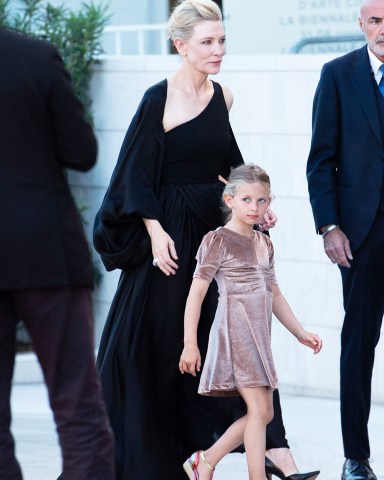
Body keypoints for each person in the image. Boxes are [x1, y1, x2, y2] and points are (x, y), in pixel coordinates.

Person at [93, 1, 319, 479]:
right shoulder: (159, 98)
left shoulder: (224, 97)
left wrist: (254, 203)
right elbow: (134, 175)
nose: (218, 50)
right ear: (181, 46)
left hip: (214, 232)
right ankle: (163, 455)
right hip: (171, 236)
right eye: (207, 42)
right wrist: (154, 233)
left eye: (222, 41)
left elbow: (227, 169)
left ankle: (276, 450)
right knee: (161, 343)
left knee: (239, 335)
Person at [0, 28, 115, 479]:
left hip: (43, 252)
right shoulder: (35, 55)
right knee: (77, 405)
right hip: (45, 248)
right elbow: (81, 152)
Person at [179, 164, 322, 480]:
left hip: (259, 338)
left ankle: (204, 461)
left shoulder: (264, 243)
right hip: (234, 333)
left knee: (264, 412)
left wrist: (299, 332)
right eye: (246, 200)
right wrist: (190, 343)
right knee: (259, 412)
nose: (254, 208)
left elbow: (275, 294)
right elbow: (196, 294)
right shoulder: (218, 241)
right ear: (229, 200)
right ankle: (255, 476)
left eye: (262, 201)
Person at [306, 1, 384, 479]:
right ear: (360, 23)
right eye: (376, 20)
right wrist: (328, 226)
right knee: (358, 345)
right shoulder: (337, 74)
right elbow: (320, 160)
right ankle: (356, 457)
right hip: (360, 235)